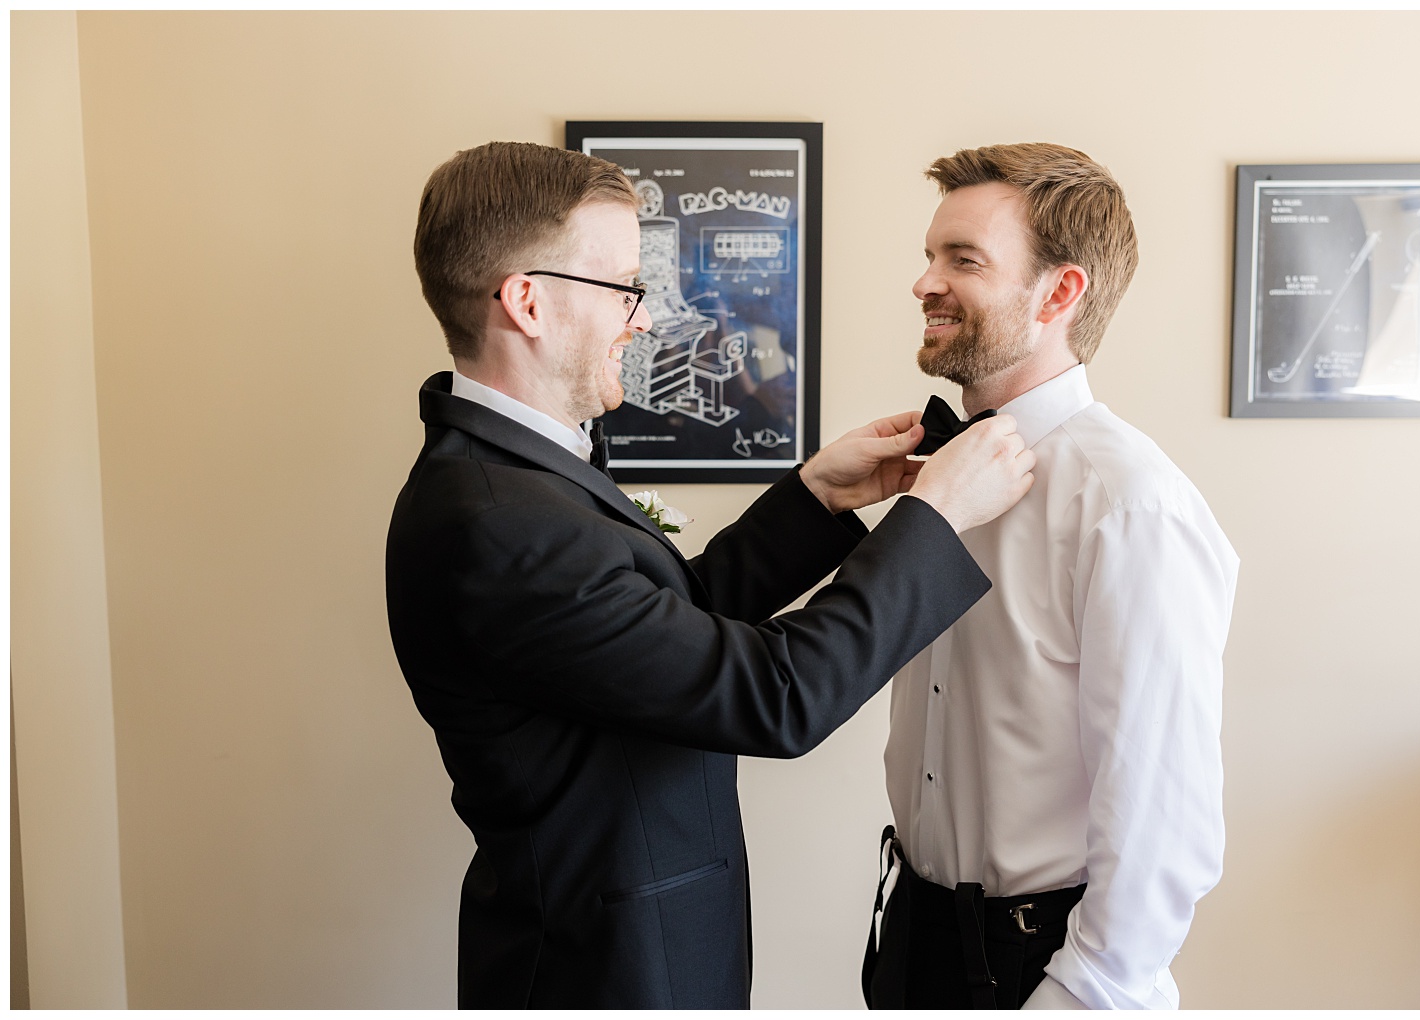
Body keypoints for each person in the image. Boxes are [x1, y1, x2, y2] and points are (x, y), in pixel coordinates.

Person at [385, 140, 1040, 1009]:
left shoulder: (516, 479)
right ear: (529, 303)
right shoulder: (498, 522)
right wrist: (935, 521)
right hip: (606, 974)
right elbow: (774, 696)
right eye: (624, 287)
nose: (644, 318)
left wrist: (816, 498)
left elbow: (656, 629)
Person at [863, 143, 1240, 1009]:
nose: (924, 283)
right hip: (910, 940)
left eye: (963, 260)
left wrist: (1079, 995)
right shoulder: (932, 471)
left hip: (1039, 969)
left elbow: (1162, 822)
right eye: (929, 255)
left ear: (1060, 293)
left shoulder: (1132, 507)